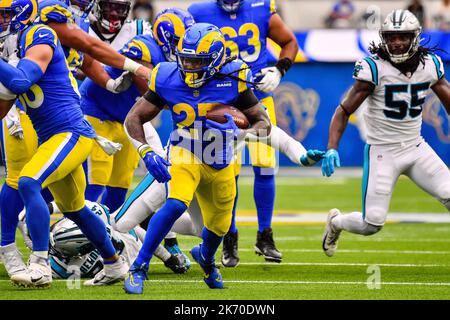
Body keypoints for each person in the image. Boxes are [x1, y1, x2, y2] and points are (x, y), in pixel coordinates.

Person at [122, 23, 273, 294]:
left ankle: (206, 258)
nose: (189, 67)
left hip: (221, 157)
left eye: (197, 61)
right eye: (186, 59)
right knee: (175, 204)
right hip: (185, 149)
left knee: (220, 226)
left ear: (216, 60)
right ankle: (138, 267)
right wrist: (145, 150)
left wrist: (242, 133)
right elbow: (134, 117)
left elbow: (263, 122)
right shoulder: (167, 77)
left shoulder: (234, 77)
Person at [0, 0, 146, 278]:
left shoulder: (39, 34)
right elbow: (7, 97)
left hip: (71, 132)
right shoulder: (16, 47)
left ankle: (40, 264)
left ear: (21, 14)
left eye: (5, 15)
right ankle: (114, 263)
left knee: (28, 181)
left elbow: (20, 81)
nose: (2, 21)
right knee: (75, 209)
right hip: (54, 136)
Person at [321, 10, 450, 257]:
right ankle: (336, 222)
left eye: (403, 37)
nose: (397, 43)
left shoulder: (430, 65)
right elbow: (344, 110)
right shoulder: (373, 69)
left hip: (416, 147)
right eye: (391, 37)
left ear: (415, 38)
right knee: (372, 224)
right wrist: (332, 147)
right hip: (383, 151)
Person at [188, 0, 299, 267]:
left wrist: (279, 69)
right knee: (228, 172)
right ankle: (230, 236)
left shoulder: (261, 8)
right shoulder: (198, 13)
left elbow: (290, 42)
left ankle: (265, 235)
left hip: (257, 100)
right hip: (222, 103)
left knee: (265, 167)